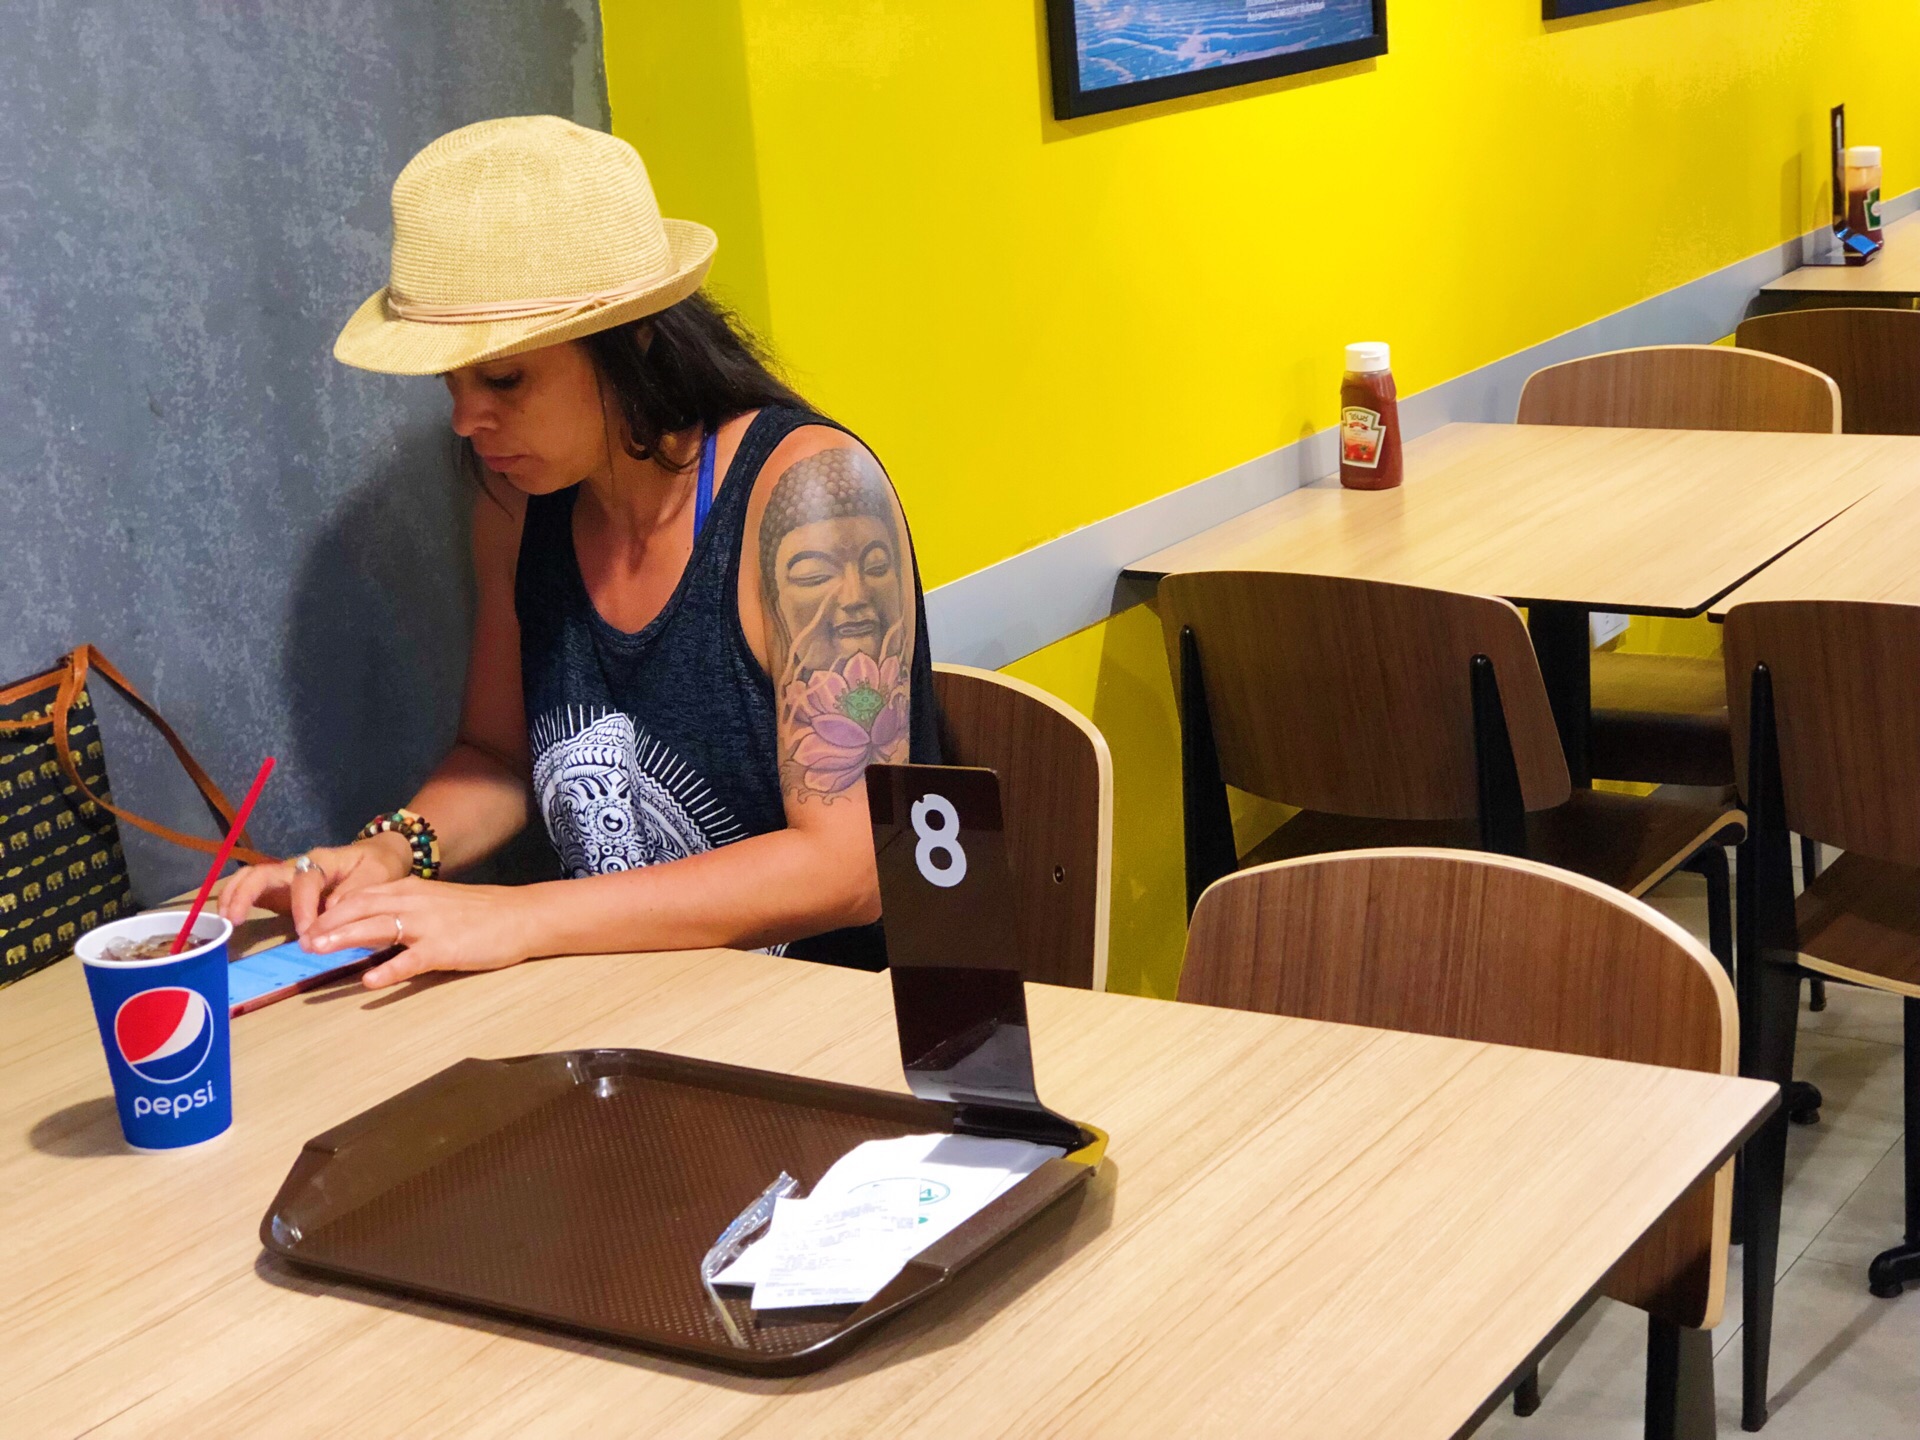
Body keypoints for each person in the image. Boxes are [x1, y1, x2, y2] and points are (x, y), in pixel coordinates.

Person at [219, 116, 939, 985]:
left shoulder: (811, 499)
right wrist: (391, 851)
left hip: (837, 1021)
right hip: (619, 1011)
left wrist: (522, 916)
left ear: (635, 337)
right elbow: (496, 758)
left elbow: (852, 867)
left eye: (504, 378)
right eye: (450, 381)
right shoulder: (517, 506)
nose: (465, 419)